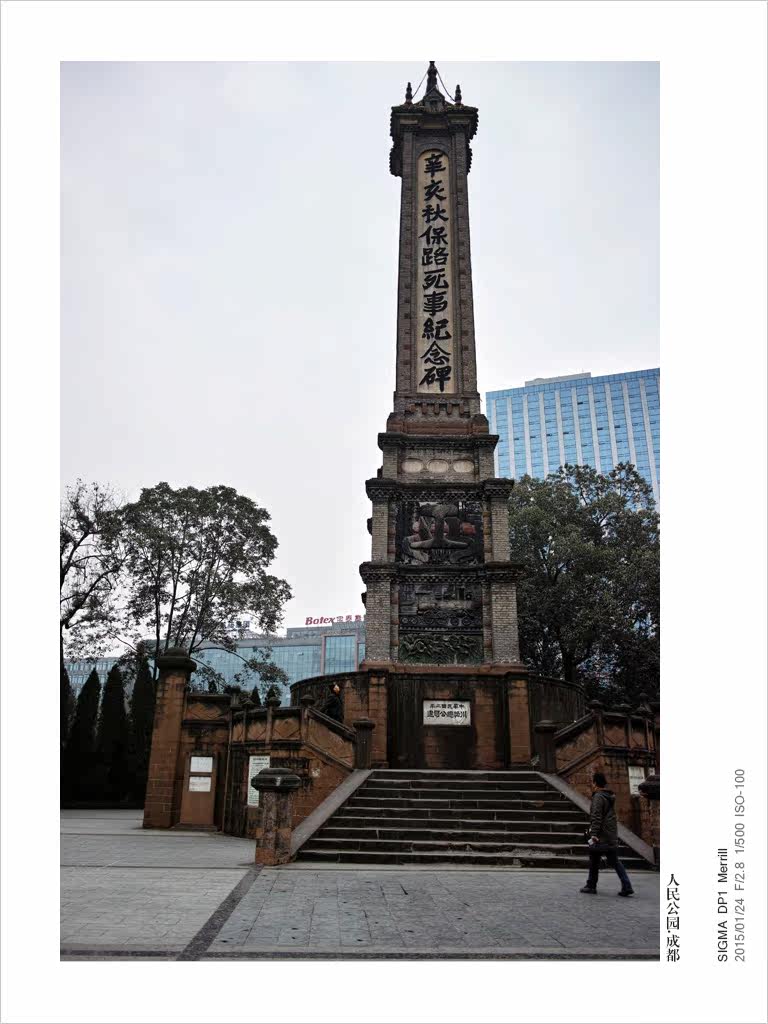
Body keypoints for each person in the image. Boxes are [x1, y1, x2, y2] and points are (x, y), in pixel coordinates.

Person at [580, 771, 635, 897]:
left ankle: (591, 886)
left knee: (594, 860)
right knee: (614, 861)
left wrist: (593, 834)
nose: (591, 784)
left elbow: (596, 817)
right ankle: (627, 886)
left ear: (595, 783)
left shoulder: (598, 797)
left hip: (601, 835)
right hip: (609, 834)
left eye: (592, 782)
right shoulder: (608, 796)